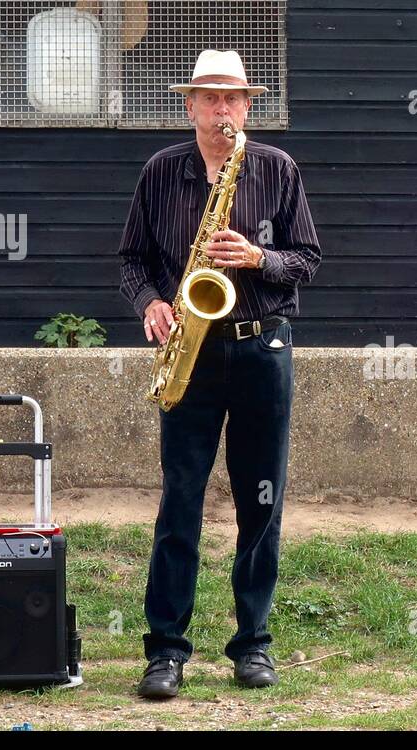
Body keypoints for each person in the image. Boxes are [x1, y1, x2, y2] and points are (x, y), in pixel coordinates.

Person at [118, 49, 321, 698]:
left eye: (233, 98)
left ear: (248, 106)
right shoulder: (160, 172)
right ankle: (166, 651)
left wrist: (259, 256)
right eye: (210, 97)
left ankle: (252, 645)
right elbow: (131, 259)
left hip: (263, 348)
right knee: (181, 500)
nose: (222, 108)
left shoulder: (276, 169)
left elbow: (308, 259)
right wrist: (150, 302)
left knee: (262, 502)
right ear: (190, 106)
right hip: (191, 351)